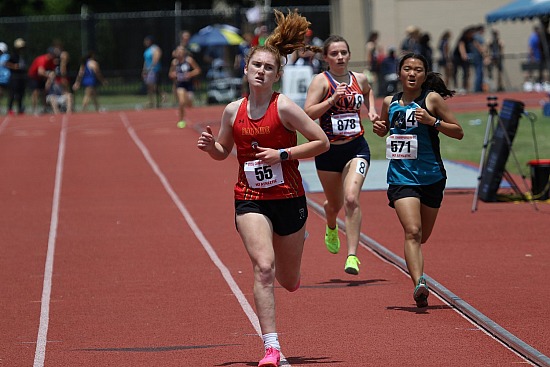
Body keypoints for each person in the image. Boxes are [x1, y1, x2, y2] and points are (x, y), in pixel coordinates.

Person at [197, 9, 329, 367]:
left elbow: (321, 143)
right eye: (256, 65)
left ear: (276, 75)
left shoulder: (284, 107)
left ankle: (299, 239)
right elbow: (225, 151)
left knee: (288, 280)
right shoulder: (232, 110)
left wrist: (283, 152)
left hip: (289, 198)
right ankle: (271, 347)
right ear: (246, 69)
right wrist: (213, 149)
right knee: (264, 268)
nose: (261, 71)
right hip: (250, 198)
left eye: (268, 68)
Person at [372, 53, 464, 308]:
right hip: (401, 177)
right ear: (400, 73)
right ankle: (419, 283)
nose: (412, 74)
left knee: (422, 236)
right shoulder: (390, 102)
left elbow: (458, 132)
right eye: (408, 69)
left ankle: (418, 272)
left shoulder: (431, 99)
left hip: (432, 176)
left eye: (418, 70)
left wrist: (433, 122)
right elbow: (386, 129)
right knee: (412, 231)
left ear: (425, 75)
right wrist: (381, 130)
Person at [303, 35, 378, 276]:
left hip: (356, 148)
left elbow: (368, 91)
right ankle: (331, 223)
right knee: (334, 204)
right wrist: (333, 99)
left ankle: (353, 255)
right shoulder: (321, 81)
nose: (340, 57)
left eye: (344, 52)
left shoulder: (359, 78)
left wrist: (372, 111)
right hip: (328, 152)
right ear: (326, 58)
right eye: (334, 53)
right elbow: (308, 113)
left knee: (352, 199)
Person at [168, 45, 201, 127]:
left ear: (184, 52)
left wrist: (190, 74)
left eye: (181, 51)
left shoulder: (189, 60)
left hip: (189, 85)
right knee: (181, 102)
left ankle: (185, 107)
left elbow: (198, 70)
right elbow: (170, 74)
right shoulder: (174, 62)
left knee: (189, 103)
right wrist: (173, 74)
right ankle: (181, 120)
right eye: (178, 51)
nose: (179, 53)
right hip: (180, 84)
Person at [28, 47, 58, 114]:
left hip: (42, 77)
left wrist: (50, 78)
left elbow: (53, 71)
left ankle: (44, 108)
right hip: (34, 77)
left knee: (44, 92)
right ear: (49, 54)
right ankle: (34, 109)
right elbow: (40, 72)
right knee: (35, 92)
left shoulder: (51, 60)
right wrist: (49, 76)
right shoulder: (42, 59)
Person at [5, 38, 27, 115]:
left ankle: (20, 108)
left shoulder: (23, 56)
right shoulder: (13, 55)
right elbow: (6, 63)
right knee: (13, 93)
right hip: (14, 76)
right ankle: (10, 108)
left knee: (21, 93)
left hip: (21, 76)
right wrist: (14, 66)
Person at [142, 35, 162, 108]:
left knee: (152, 85)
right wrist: (144, 69)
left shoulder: (155, 48)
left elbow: (156, 59)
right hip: (148, 69)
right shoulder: (147, 50)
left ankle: (162, 96)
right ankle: (151, 101)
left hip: (153, 69)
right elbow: (145, 61)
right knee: (149, 86)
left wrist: (151, 68)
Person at [0, 42, 10, 114]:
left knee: (10, 94)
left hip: (7, 77)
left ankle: (9, 108)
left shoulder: (7, 56)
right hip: (0, 78)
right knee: (0, 92)